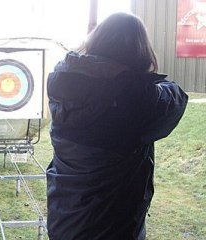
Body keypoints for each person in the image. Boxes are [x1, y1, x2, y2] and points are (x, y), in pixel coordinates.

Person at [46, 12, 188, 240]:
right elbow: (176, 98)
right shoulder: (134, 97)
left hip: (65, 221)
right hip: (111, 230)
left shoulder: (66, 83)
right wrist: (136, 77)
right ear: (138, 52)